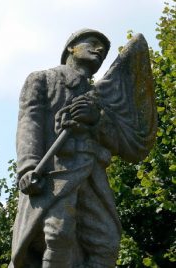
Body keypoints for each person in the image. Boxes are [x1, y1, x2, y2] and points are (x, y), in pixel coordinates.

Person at [9, 29, 157, 268]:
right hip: (55, 172)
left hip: (91, 175)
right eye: (94, 43)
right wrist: (27, 168)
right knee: (58, 234)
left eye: (104, 49)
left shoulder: (100, 98)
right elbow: (30, 124)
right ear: (71, 47)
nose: (99, 50)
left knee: (107, 243)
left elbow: (119, 140)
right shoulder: (42, 80)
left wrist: (96, 120)